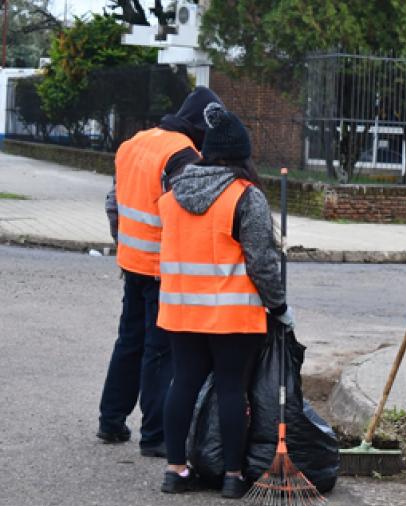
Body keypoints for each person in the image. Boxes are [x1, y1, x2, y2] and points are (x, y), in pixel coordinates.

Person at [157, 103, 295, 499]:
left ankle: (175, 470)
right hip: (231, 315)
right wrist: (280, 307)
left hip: (180, 310)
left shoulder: (171, 194)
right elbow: (263, 262)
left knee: (181, 383)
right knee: (233, 389)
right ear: (241, 155)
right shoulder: (245, 197)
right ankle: (233, 476)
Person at [98, 86, 222, 457]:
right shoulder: (181, 156)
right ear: (202, 126)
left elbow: (112, 202)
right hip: (160, 267)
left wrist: (123, 244)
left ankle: (111, 420)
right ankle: (154, 435)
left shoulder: (135, 141)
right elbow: (187, 212)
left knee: (128, 341)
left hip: (132, 262)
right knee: (159, 352)